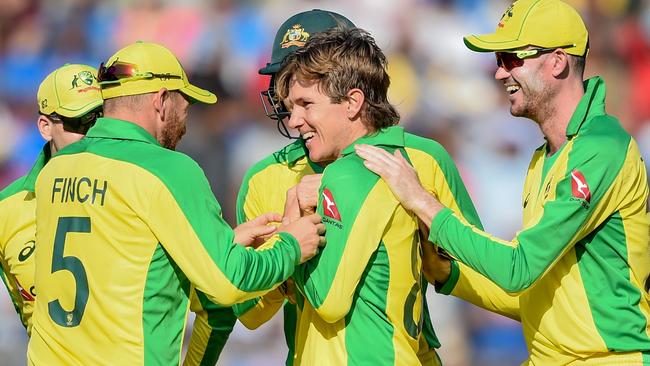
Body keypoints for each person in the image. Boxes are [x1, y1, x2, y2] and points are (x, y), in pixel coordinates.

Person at [355, 0, 650, 364]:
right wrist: (448, 273)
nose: (499, 74)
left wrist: (424, 204)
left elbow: (517, 269)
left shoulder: (599, 148)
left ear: (557, 62)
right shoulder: (546, 156)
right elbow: (535, 298)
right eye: (498, 62)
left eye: (511, 59)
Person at [27, 41, 325, 365]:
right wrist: (292, 244)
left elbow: (121, 255)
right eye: (186, 103)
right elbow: (228, 285)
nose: (186, 118)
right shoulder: (168, 169)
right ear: (161, 100)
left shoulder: (54, 168)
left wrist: (224, 245)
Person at [236, 10, 481, 365]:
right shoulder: (265, 177)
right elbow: (250, 313)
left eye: (306, 88)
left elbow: (477, 273)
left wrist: (441, 261)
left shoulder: (422, 159)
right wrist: (284, 258)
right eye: (282, 82)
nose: (287, 100)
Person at [0, 63, 103, 335]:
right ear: (46, 127)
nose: (91, 134)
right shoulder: (7, 209)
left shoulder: (137, 187)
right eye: (79, 122)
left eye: (100, 119)